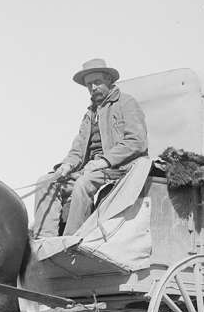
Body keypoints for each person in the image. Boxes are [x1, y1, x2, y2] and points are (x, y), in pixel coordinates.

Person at [35, 58, 149, 237]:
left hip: (121, 169)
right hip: (90, 169)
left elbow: (137, 141)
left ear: (109, 81)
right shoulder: (90, 114)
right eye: (89, 85)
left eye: (97, 82)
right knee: (46, 182)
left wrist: (104, 161)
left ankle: (71, 240)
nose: (93, 88)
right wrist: (67, 165)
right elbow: (78, 149)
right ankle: (44, 240)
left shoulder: (126, 103)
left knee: (83, 184)